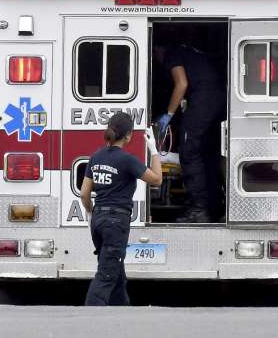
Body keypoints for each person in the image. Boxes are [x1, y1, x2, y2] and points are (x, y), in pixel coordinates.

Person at [80, 112, 162, 306]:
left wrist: (92, 212)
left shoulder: (96, 157)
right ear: (128, 135)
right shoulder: (127, 160)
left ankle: (122, 313)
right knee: (106, 275)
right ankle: (88, 317)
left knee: (116, 274)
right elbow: (157, 179)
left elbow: (84, 193)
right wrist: (154, 151)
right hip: (116, 223)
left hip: (98, 221)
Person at [154, 38, 224, 223]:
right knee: (207, 153)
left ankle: (198, 209)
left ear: (157, 50)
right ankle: (213, 207)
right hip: (219, 100)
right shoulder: (192, 52)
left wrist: (168, 114)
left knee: (189, 151)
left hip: (204, 99)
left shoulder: (171, 53)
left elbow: (181, 84)